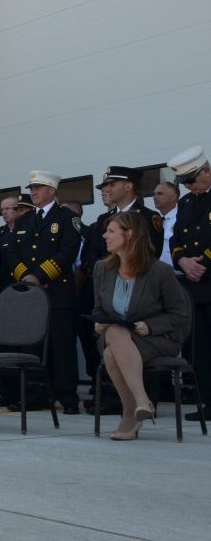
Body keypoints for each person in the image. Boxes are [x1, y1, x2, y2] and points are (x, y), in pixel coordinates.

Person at [92, 212, 188, 439]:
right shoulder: (101, 268)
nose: (105, 236)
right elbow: (99, 309)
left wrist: (151, 325)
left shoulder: (160, 271)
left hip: (156, 338)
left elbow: (179, 314)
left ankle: (130, 413)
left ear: (130, 234)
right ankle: (142, 401)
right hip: (117, 335)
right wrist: (99, 323)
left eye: (111, 231)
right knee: (114, 332)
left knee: (110, 354)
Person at [4, 170, 82, 415]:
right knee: (31, 346)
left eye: (38, 188)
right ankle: (35, 394)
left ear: (53, 191)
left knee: (62, 346)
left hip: (58, 292)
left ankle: (67, 396)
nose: (33, 192)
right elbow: (12, 253)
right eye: (31, 188)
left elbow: (68, 251)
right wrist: (26, 277)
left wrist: (40, 275)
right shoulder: (25, 220)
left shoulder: (66, 217)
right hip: (30, 294)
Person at [166, 146, 211, 421]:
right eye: (186, 182)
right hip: (195, 287)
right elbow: (175, 239)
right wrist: (182, 261)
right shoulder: (186, 203)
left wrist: (202, 262)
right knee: (200, 347)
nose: (189, 186)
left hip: (208, 275)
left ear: (207, 170)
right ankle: (208, 400)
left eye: (193, 180)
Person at [153, 181, 180, 267]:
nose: (154, 197)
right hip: (158, 275)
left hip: (178, 276)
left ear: (173, 197)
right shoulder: (156, 220)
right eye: (154, 194)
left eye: (159, 194)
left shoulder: (181, 220)